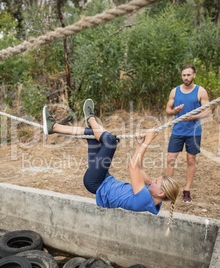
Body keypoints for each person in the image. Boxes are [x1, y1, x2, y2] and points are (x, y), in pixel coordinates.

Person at [43, 99, 180, 229]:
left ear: (161, 192)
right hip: (104, 178)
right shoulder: (153, 194)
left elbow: (132, 166)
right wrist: (140, 144)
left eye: (156, 181)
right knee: (93, 135)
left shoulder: (145, 199)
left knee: (110, 140)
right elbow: (139, 168)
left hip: (95, 183)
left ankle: (91, 118)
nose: (153, 181)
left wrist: (147, 142)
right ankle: (54, 126)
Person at [165, 64, 211, 203]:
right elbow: (168, 109)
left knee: (191, 160)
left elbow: (207, 111)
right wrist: (174, 112)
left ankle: (186, 190)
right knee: (170, 160)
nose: (186, 78)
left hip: (194, 132)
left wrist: (193, 117)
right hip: (178, 131)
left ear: (194, 75)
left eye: (189, 75)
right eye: (184, 75)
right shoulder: (175, 91)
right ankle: (167, 190)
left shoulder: (200, 91)